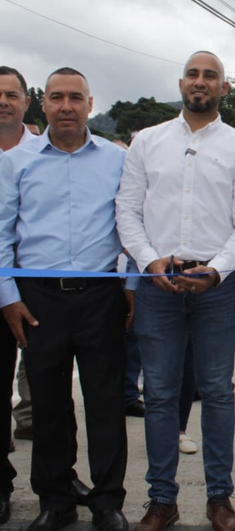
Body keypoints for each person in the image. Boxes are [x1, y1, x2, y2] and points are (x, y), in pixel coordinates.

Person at [116, 51, 235, 531]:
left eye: (210, 75)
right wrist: (149, 260)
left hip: (216, 288)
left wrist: (217, 270)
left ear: (224, 87)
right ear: (182, 83)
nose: (201, 81)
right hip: (157, 283)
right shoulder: (146, 141)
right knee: (160, 394)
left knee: (218, 392)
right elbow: (127, 211)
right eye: (193, 74)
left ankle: (219, 497)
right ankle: (162, 499)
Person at [0, 67, 132, 531]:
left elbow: (132, 225)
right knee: (49, 405)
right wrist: (8, 297)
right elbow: (2, 234)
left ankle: (107, 501)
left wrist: (131, 288)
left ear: (90, 105)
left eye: (76, 98)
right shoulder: (17, 162)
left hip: (101, 295)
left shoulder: (117, 160)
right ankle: (55, 500)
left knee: (106, 403)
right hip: (39, 299)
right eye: (57, 97)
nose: (66, 107)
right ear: (43, 104)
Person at [0, 65, 37, 525]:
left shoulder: (42, 152)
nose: (4, 102)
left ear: (28, 101)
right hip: (5, 288)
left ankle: (55, 481)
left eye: (12, 94)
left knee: (45, 394)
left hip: (31, 292)